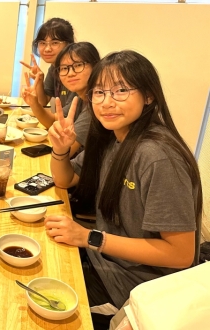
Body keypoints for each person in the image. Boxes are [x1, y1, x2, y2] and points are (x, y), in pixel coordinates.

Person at [44, 50, 202, 329]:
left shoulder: (157, 156)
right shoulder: (113, 138)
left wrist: (89, 237)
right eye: (99, 92)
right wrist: (60, 150)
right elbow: (65, 180)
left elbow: (180, 254)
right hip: (105, 260)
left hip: (135, 289)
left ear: (148, 95)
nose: (107, 102)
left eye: (121, 91)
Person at [22, 42, 100, 157]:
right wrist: (34, 103)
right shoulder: (80, 97)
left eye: (78, 65)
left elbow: (65, 152)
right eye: (64, 68)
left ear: (96, 66)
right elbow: (52, 120)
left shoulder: (96, 104)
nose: (70, 73)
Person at [21, 17, 76, 111]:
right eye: (42, 43)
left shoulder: (75, 73)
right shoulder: (54, 67)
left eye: (55, 43)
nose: (47, 49)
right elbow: (43, 102)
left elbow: (64, 116)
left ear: (68, 44)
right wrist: (39, 81)